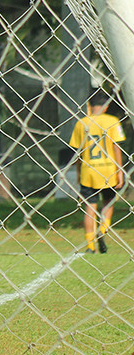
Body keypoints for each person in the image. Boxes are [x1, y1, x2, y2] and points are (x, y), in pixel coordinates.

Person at [69, 88, 125, 254]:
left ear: (89, 105)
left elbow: (78, 154)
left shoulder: (81, 123)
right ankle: (102, 229)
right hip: (108, 170)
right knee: (109, 202)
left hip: (89, 170)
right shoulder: (112, 121)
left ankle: (90, 246)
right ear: (106, 106)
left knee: (90, 208)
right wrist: (120, 170)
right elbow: (116, 147)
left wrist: (79, 174)